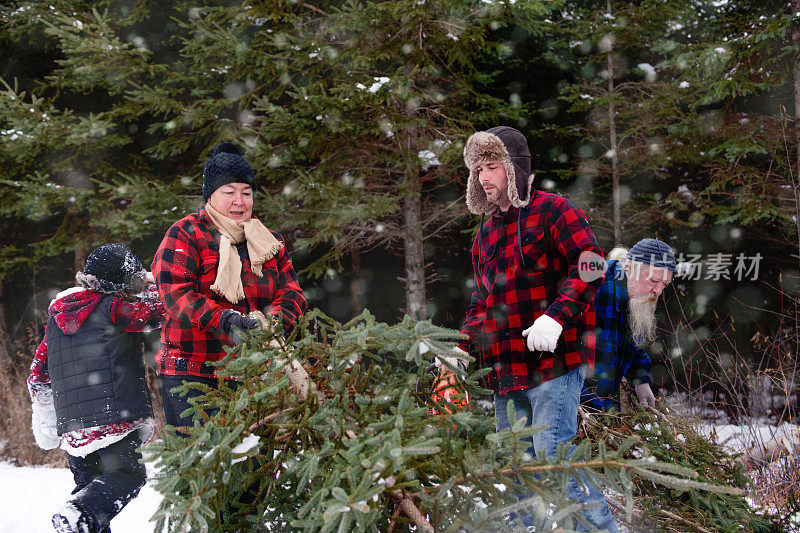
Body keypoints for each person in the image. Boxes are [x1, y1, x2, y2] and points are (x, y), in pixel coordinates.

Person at [456, 126, 617, 531]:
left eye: (491, 167)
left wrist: (557, 316)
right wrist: (461, 346)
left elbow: (593, 264)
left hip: (551, 368)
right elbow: (482, 304)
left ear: (515, 168)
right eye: (478, 170)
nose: (484, 178)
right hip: (504, 376)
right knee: (515, 473)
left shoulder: (553, 210)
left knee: (554, 457)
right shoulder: (485, 233)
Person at [152, 141, 307, 428]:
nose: (239, 201)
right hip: (194, 372)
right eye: (229, 192)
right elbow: (175, 293)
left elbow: (291, 292)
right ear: (210, 195)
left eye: (246, 193)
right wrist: (226, 321)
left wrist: (274, 323)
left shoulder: (269, 241)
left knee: (253, 466)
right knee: (204, 464)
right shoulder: (186, 233)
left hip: (256, 373)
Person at [28, 243, 164, 533]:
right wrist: (152, 283)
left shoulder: (55, 320)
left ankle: (78, 515)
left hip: (73, 431)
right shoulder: (114, 307)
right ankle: (77, 512)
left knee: (93, 507)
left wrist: (48, 421)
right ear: (119, 283)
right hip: (111, 419)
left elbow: (38, 375)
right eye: (132, 280)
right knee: (128, 476)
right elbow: (155, 314)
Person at [581, 238, 676, 411]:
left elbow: (635, 347)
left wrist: (641, 380)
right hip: (573, 401)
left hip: (606, 404)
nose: (658, 291)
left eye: (665, 284)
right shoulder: (595, 285)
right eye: (654, 281)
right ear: (631, 268)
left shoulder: (639, 299)